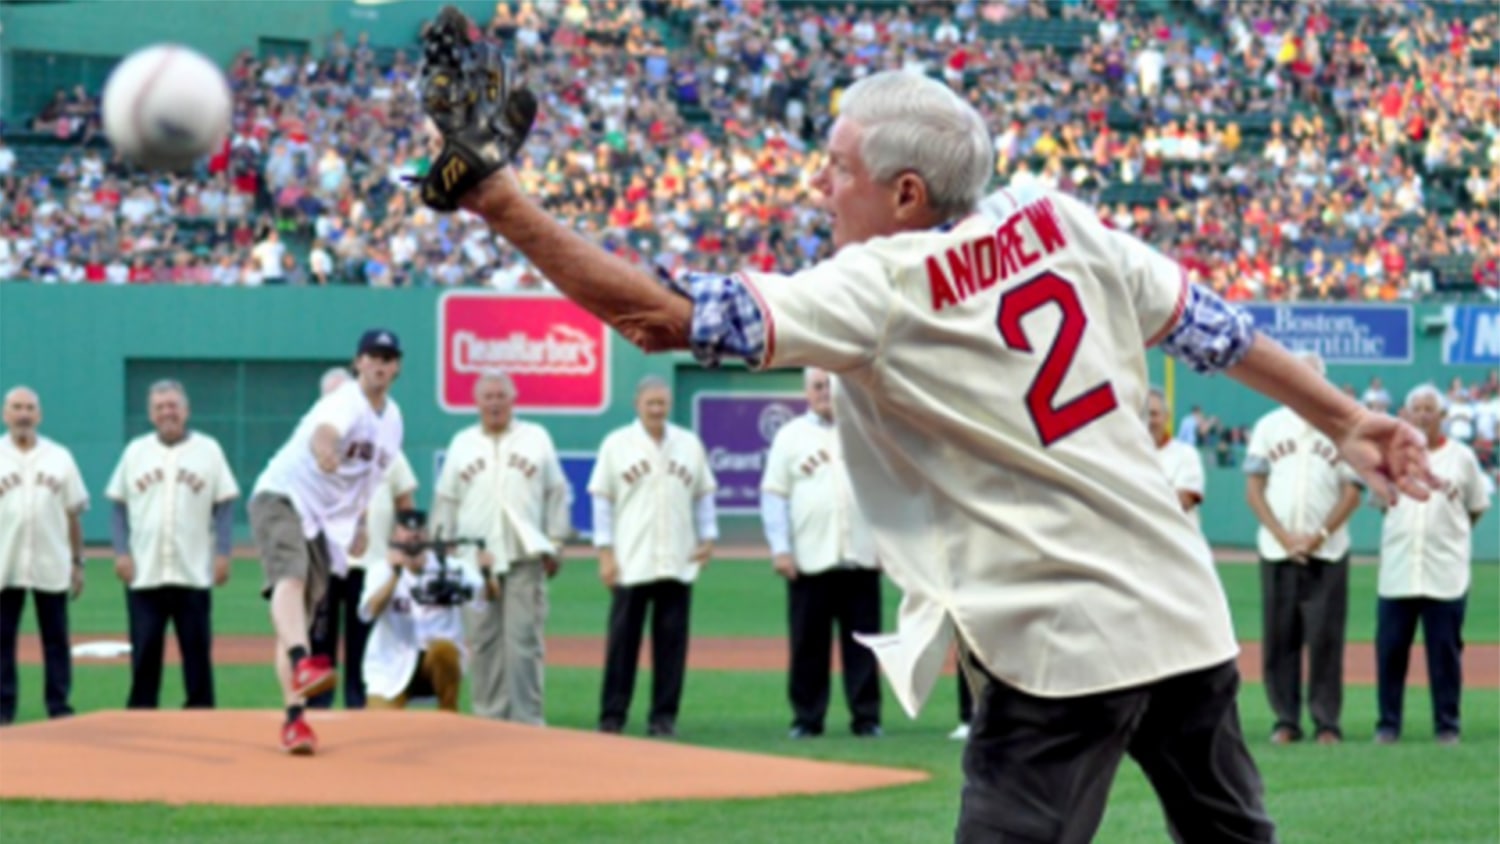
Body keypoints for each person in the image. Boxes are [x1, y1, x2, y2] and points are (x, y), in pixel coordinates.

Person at [414, 24, 1436, 839]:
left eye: (837, 166)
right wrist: (1345, 416)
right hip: (1182, 616)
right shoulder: (1065, 220)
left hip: (1057, 646)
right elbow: (1212, 329)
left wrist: (501, 200)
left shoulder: (879, 283)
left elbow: (661, 320)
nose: (822, 183)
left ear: (906, 193)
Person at [248, 329, 405, 754]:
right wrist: (324, 452)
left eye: (388, 358)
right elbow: (325, 433)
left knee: (295, 616)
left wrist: (361, 523)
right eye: (372, 356)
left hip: (324, 521)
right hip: (282, 495)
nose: (380, 364)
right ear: (358, 363)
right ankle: (303, 663)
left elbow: (372, 478)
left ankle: (295, 722)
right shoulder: (345, 399)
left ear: (397, 367)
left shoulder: (392, 421)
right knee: (291, 576)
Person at [433, 370, 571, 725]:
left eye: (500, 396)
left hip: (524, 556)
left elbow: (556, 492)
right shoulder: (462, 442)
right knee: (482, 644)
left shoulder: (535, 437)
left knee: (524, 643)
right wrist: (442, 550)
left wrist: (555, 541)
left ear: (513, 399)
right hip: (474, 561)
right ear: (477, 402)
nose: (494, 403)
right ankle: (488, 719)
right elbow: (446, 500)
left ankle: (527, 720)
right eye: (488, 396)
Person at [1244, 351, 1364, 746]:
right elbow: (1254, 489)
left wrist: (1317, 537)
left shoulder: (1342, 429)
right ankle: (1285, 720)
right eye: (1298, 377)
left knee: (1326, 639)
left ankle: (1327, 721)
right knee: (1280, 639)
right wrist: (1282, 536)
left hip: (1327, 551)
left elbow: (1351, 492)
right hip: (1278, 549)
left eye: (1313, 378)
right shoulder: (1268, 426)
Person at [588, 376, 717, 738]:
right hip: (632, 559)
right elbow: (602, 502)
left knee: (671, 647)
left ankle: (663, 717)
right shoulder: (617, 445)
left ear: (670, 404)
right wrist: (605, 554)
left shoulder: (688, 444)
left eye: (662, 403)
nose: (657, 410)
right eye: (651, 404)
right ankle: (612, 715)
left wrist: (708, 537)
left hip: (678, 558)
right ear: (637, 405)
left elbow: (704, 494)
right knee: (622, 645)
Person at [759, 367, 882, 739]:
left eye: (831, 385)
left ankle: (866, 718)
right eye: (818, 386)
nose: (825, 392)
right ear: (806, 392)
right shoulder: (790, 436)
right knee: (808, 645)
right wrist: (781, 549)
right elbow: (774, 496)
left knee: (863, 646)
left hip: (860, 556)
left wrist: (888, 547)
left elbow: (887, 492)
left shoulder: (865, 430)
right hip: (811, 559)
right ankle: (807, 719)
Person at [104, 380, 239, 710]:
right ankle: (141, 713)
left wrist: (223, 552)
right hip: (145, 570)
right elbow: (119, 506)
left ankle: (201, 711)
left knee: (196, 651)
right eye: (160, 407)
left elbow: (224, 505)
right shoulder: (136, 451)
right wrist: (121, 552)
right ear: (151, 414)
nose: (168, 412)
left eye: (173, 406)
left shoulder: (209, 450)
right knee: (145, 650)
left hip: (192, 570)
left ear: (186, 410)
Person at [1372, 384, 1492, 745]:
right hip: (1399, 569)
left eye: (1430, 409)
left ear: (1442, 416)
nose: (1423, 414)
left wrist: (1451, 537)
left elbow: (1476, 506)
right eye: (1416, 408)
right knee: (1391, 650)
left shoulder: (1462, 457)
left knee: (1445, 653)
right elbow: (1380, 502)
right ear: (1405, 416)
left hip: (1444, 571)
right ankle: (1388, 724)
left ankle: (1447, 725)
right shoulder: (1389, 456)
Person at [307, 365, 416, 710]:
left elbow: (405, 501)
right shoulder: (309, 451)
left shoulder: (386, 447)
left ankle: (360, 710)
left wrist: (403, 546)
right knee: (320, 642)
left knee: (364, 645)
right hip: (324, 560)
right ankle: (319, 710)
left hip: (370, 565)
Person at [0, 386, 87, 725]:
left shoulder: (59, 456)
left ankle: (59, 706)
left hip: (51, 561)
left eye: (29, 408)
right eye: (16, 407)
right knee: (2, 641)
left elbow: (73, 514)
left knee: (55, 639)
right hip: (4, 564)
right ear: (5, 413)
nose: (23, 414)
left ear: (39, 415)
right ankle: (3, 708)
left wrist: (78, 563)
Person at [360, 508, 497, 711]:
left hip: (435, 662)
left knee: (445, 651)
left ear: (428, 538)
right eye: (406, 534)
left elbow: (488, 596)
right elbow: (369, 612)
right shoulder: (381, 570)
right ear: (395, 538)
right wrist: (395, 576)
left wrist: (487, 573)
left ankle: (448, 711)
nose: (413, 540)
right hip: (391, 666)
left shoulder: (449, 568)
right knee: (380, 723)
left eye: (419, 534)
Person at [1147, 387, 1207, 526]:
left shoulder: (1186, 453)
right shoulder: (1125, 453)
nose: (1148, 420)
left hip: (1175, 543)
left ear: (1166, 417)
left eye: (1154, 414)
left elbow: (1185, 500)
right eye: (1142, 414)